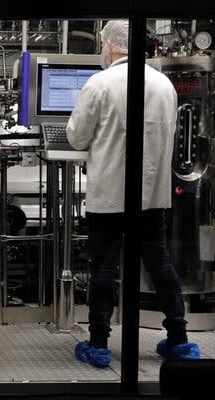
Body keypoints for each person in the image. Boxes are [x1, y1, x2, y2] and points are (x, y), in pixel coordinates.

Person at [66, 20, 200, 368]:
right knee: (160, 264)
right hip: (152, 196)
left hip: (109, 195)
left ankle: (98, 345)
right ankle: (180, 340)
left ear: (110, 45)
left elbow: (77, 138)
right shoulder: (164, 84)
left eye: (101, 43)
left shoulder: (100, 83)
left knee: (103, 268)